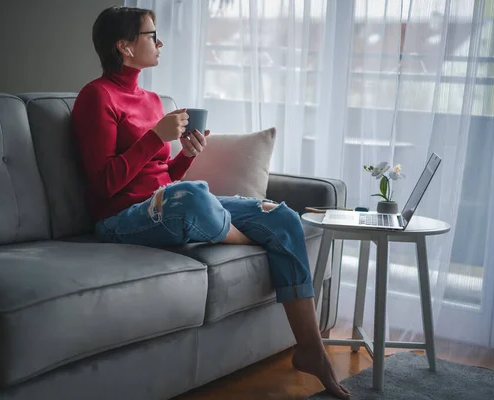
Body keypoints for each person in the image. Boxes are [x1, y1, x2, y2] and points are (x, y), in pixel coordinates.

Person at [71, 6, 350, 400]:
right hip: (120, 219)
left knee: (283, 217)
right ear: (124, 47)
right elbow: (103, 185)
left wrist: (186, 153)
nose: (160, 41)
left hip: (165, 204)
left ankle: (311, 350)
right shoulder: (95, 97)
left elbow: (164, 178)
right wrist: (156, 136)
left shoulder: (152, 99)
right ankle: (254, 239)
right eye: (151, 35)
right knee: (196, 197)